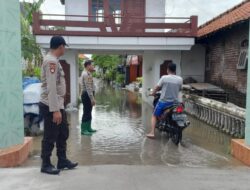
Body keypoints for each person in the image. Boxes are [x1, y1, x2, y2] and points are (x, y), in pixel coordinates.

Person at [39, 36, 78, 175]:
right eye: (64, 46)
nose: (65, 49)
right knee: (50, 135)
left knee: (63, 133)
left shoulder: (55, 61)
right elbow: (51, 88)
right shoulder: (51, 61)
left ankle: (62, 160)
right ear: (61, 46)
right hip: (51, 105)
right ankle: (45, 164)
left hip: (58, 104)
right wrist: (55, 110)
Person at [146, 62, 183, 138]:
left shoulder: (164, 78)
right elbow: (179, 89)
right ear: (175, 70)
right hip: (175, 103)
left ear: (168, 69)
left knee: (154, 115)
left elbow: (157, 87)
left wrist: (153, 93)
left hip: (164, 102)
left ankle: (152, 133)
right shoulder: (180, 79)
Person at [80, 60, 97, 136]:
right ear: (88, 66)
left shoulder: (88, 73)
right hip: (86, 94)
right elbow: (88, 88)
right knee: (86, 112)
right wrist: (92, 99)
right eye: (92, 65)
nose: (93, 66)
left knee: (89, 111)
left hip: (88, 94)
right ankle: (84, 129)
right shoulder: (86, 74)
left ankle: (88, 128)